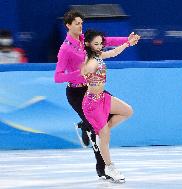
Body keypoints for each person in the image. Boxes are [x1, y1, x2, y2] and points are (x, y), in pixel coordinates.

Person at [54, 10, 139, 178]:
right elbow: (58, 76)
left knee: (106, 123)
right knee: (99, 130)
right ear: (68, 25)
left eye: (81, 23)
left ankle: (88, 128)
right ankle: (104, 168)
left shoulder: (85, 40)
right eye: (77, 23)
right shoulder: (65, 49)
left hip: (93, 89)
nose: (80, 26)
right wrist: (80, 74)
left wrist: (127, 41)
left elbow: (108, 44)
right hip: (77, 92)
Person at [81, 29, 139, 182]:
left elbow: (113, 53)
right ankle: (109, 167)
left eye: (100, 43)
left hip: (103, 98)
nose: (100, 46)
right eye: (96, 44)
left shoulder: (98, 55)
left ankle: (98, 131)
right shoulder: (89, 60)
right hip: (92, 103)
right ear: (87, 44)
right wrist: (86, 68)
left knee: (127, 111)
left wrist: (127, 43)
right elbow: (83, 70)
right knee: (105, 135)